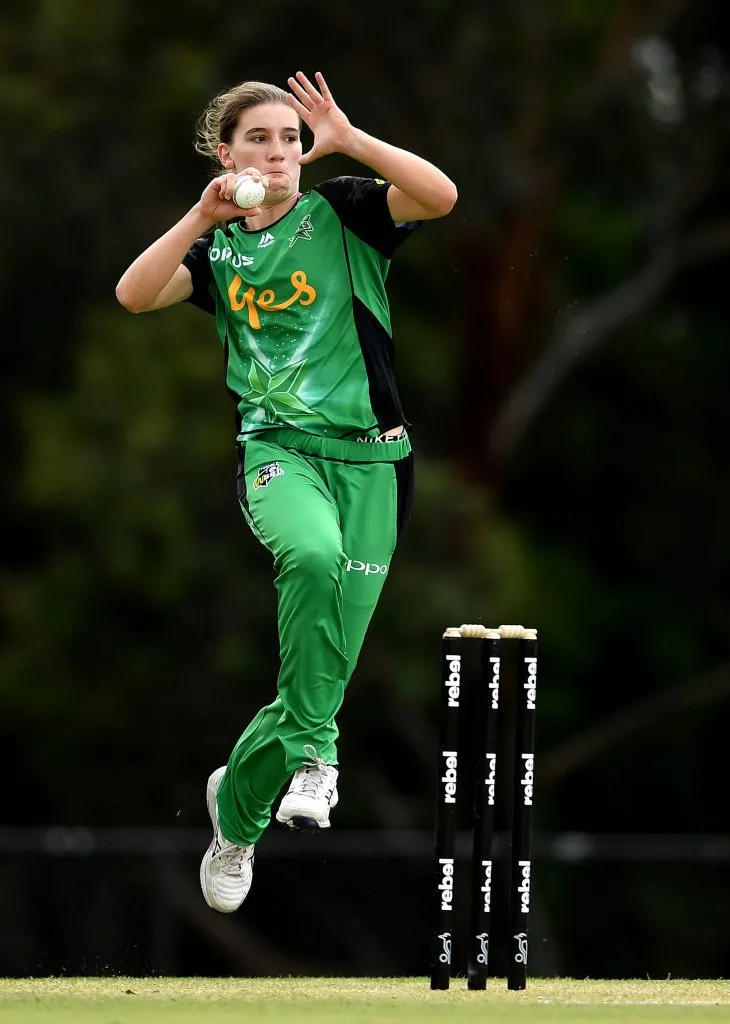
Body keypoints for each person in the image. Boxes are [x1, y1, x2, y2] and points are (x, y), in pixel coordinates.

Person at [116, 70, 457, 914]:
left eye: (289, 139)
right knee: (310, 556)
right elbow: (134, 295)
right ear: (225, 154)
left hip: (375, 462)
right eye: (258, 139)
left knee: (323, 666)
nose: (278, 153)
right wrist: (201, 215)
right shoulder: (219, 251)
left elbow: (441, 196)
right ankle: (317, 758)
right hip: (279, 453)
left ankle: (238, 816)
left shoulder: (343, 211)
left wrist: (349, 138)